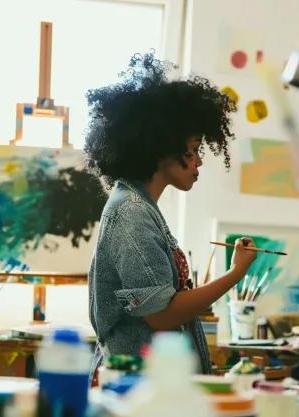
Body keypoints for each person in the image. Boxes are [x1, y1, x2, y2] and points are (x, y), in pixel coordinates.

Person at [84, 52, 258, 375]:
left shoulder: (140, 206)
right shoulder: (131, 213)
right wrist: (235, 274)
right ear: (162, 149)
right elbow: (162, 314)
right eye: (192, 150)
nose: (199, 162)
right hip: (138, 391)